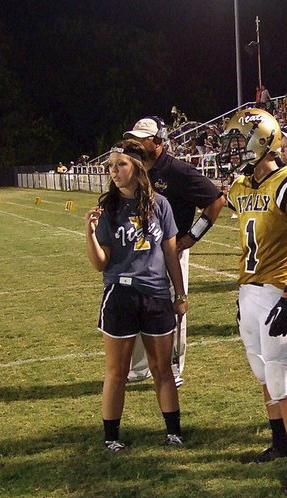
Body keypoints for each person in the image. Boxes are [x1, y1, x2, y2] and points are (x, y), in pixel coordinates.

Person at [219, 108, 287, 493]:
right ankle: (280, 443)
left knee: (281, 377)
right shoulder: (242, 187)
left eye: (237, 140)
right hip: (249, 290)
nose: (232, 149)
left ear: (262, 140)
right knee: (263, 373)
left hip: (276, 290)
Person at [85, 139, 188, 452]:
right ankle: (111, 437)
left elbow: (170, 254)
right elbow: (100, 263)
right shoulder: (109, 208)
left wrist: (180, 293)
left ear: (138, 167)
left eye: (121, 164)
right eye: (110, 166)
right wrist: (89, 234)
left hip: (156, 294)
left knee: (162, 369)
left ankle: (173, 432)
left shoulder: (161, 205)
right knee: (118, 371)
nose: (114, 171)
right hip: (120, 294)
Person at [123, 117, 224, 387]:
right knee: (138, 306)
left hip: (170, 251)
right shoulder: (136, 167)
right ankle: (139, 368)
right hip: (139, 250)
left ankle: (173, 368)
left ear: (158, 141)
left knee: (170, 309)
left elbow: (215, 200)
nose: (136, 143)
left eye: (142, 139)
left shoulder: (179, 171)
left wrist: (192, 236)